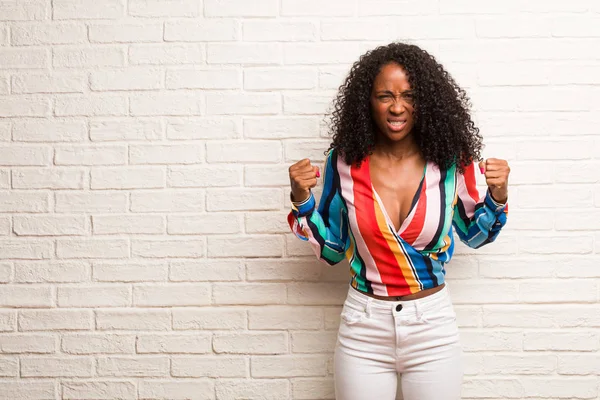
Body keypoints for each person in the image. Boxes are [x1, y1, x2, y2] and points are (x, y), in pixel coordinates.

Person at [287, 42, 510, 400]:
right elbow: (331, 251)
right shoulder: (342, 162)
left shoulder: (453, 162)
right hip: (364, 327)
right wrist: (302, 198)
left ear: (427, 101)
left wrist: (497, 196)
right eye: (384, 96)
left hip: (432, 327)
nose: (397, 107)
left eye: (409, 95)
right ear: (367, 101)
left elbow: (474, 235)